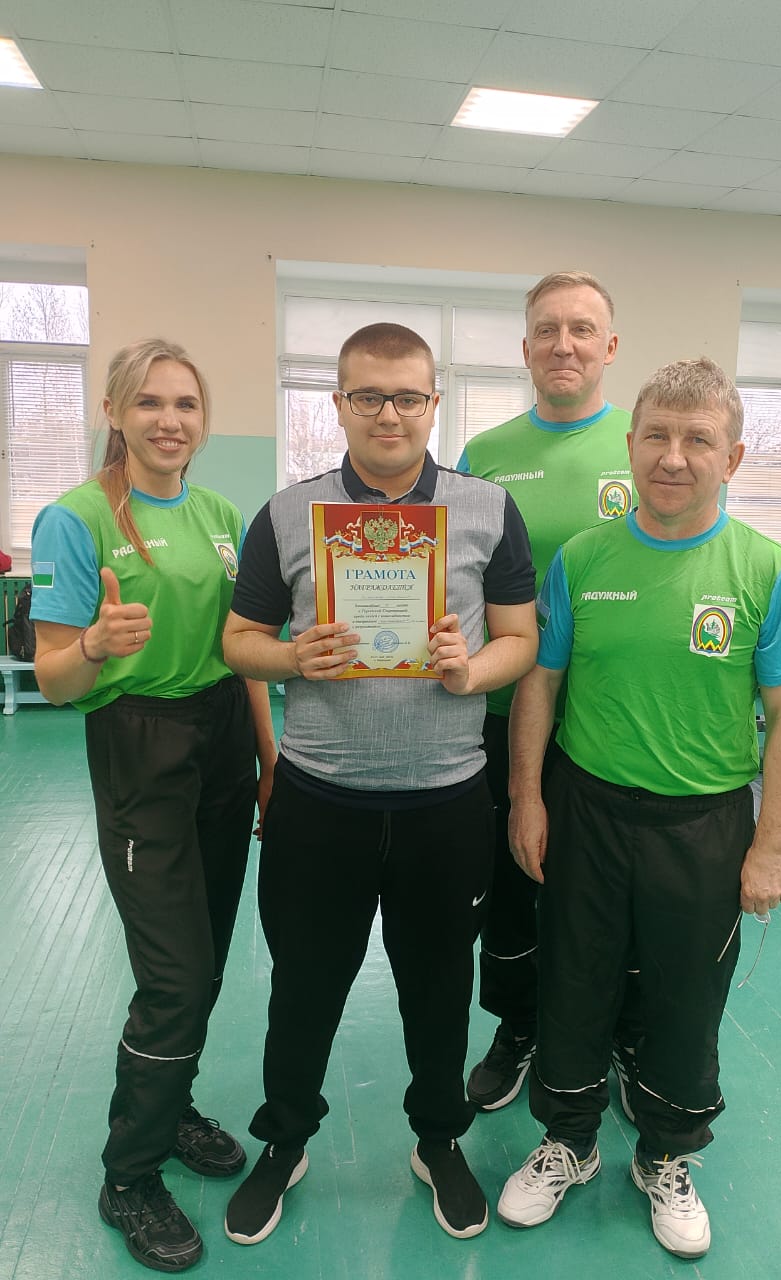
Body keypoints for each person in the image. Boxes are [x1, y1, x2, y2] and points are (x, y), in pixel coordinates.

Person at [458, 271, 781, 1115]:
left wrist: (773, 841)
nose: (671, 458)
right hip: (522, 719)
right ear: (524, 347)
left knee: (659, 952)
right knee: (535, 913)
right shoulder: (489, 460)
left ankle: (641, 1060)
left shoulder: (677, 472)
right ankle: (528, 1041)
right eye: (546, 329)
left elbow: (769, 658)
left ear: (609, 346)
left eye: (581, 328)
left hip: (678, 763)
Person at [220, 322, 538, 1245]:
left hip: (445, 802)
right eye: (367, 395)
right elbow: (237, 642)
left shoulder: (486, 511)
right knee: (303, 987)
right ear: (338, 404)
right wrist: (292, 656)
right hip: (321, 801)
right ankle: (284, 1141)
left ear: (434, 404)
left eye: (406, 396)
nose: (387, 414)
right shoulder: (290, 515)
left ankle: (438, 1139)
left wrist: (469, 673)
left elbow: (519, 640)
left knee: (437, 990)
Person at [496, 357, 781, 1260]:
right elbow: (539, 685)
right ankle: (568, 1142)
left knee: (684, 998)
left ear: (732, 457)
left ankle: (665, 1155)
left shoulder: (768, 569)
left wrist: (771, 847)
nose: (673, 457)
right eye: (656, 437)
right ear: (631, 445)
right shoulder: (581, 558)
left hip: (703, 825)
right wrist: (526, 797)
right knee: (573, 983)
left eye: (697, 440)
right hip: (585, 810)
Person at [29, 339, 276, 1273]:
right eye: (150, 403)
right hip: (141, 743)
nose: (170, 421)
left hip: (223, 738)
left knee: (204, 961)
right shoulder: (76, 518)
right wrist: (93, 644)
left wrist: (268, 760)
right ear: (115, 411)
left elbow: (240, 651)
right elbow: (53, 679)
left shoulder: (221, 516)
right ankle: (128, 1174)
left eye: (186, 404)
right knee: (174, 976)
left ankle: (171, 1110)